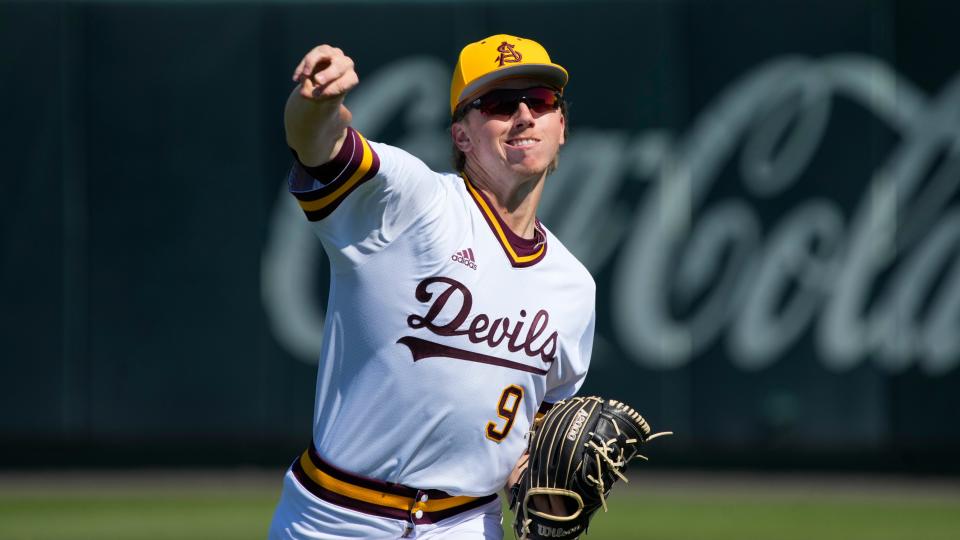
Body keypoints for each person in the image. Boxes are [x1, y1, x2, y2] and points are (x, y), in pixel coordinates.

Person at [268, 34, 596, 539]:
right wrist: (314, 103)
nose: (526, 115)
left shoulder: (574, 286)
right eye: (501, 104)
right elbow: (320, 145)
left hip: (467, 524)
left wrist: (542, 482)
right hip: (336, 518)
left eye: (543, 100)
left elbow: (536, 438)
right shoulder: (411, 202)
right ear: (461, 136)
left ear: (562, 126)